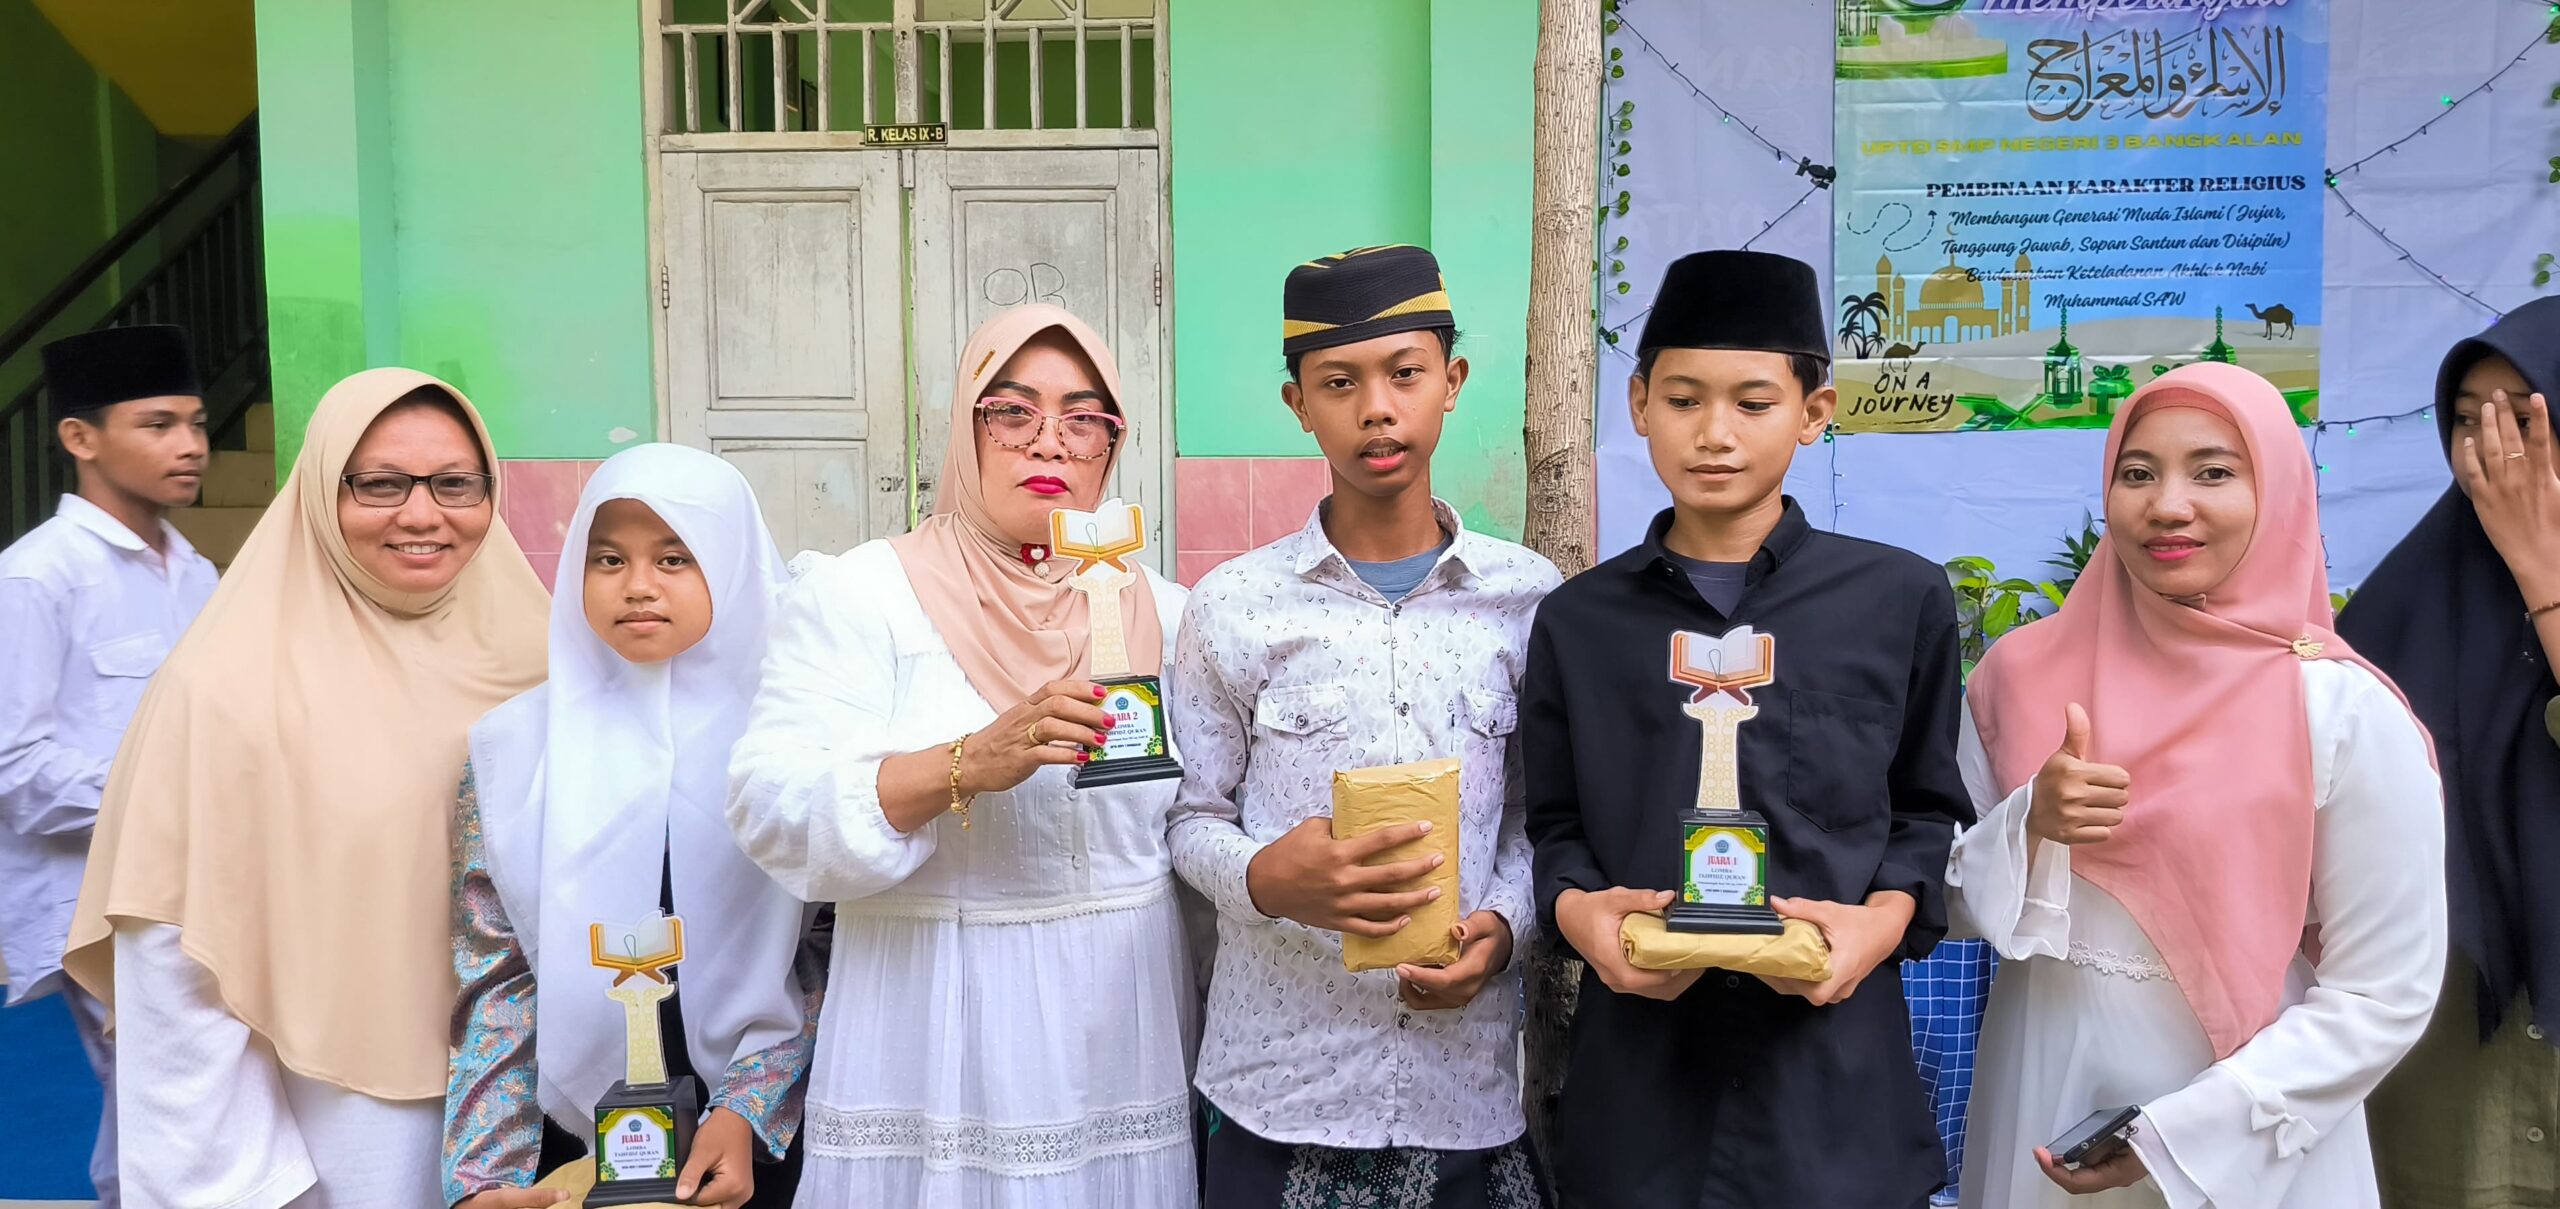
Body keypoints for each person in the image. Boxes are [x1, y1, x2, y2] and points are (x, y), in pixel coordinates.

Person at [1523, 249, 1970, 1208]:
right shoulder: (1579, 622)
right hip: (1640, 1091)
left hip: (1830, 1089)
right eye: (1683, 399)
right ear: (1639, 403)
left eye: (1754, 402)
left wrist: (1881, 922)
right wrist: (1579, 914)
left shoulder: (1897, 599)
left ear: (1815, 411)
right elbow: (1554, 825)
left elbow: (1926, 812)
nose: (1714, 433)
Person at [725, 303, 1197, 1207]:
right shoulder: (866, 595)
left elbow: (1198, 832)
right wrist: (963, 764)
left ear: (1113, 443)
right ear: (966, 427)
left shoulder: (1169, 615)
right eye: (1013, 411)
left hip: (1121, 1021)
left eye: (1083, 419)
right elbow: (769, 803)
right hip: (932, 1016)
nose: (1049, 442)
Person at [1952, 362, 2446, 1208]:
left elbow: (2384, 991)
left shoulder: (2337, 708)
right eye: (2138, 473)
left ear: (2278, 490)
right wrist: (2031, 823)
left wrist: (2181, 1135)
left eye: (2213, 472)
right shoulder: (2018, 677)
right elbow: (1947, 903)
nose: (2169, 504)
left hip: (2254, 1127)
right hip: (2045, 1090)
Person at [61, 368, 549, 1208]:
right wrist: (240, 1188)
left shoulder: (541, 657)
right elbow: (172, 962)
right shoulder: (223, 689)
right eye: (381, 484)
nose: (423, 513)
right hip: (334, 1126)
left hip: (537, 1101)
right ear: (323, 490)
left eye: (455, 483)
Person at [1168, 244, 1559, 1207]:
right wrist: (1267, 876)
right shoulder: (1233, 605)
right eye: (1340, 382)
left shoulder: (1526, 600)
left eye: (1405, 373)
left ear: (1451, 382)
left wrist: (1504, 930)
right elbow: (1190, 816)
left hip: (1462, 1091)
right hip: (1277, 1088)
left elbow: (1534, 817)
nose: (1377, 408)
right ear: (1299, 403)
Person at [444, 444, 823, 1209]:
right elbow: (500, 976)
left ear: (733, 562)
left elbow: (827, 949)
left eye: (675, 558)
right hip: (581, 1139)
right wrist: (483, 1178)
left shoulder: (793, 741)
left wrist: (747, 1107)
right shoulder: (517, 750)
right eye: (608, 558)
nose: (638, 585)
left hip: (765, 1135)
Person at [0, 324, 220, 1206]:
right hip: (93, 901)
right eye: (159, 424)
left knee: (172, 1108)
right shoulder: (36, 578)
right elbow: (16, 767)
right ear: (79, 437)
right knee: (166, 1104)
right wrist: (172, 799)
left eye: (196, 422)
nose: (191, 445)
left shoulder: (197, 573)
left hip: (191, 886)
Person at [2351, 298, 2560, 1208]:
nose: (2489, 452)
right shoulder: (2412, 594)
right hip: (2452, 1040)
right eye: (2469, 421)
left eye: (2522, 420)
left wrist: (2542, 569)